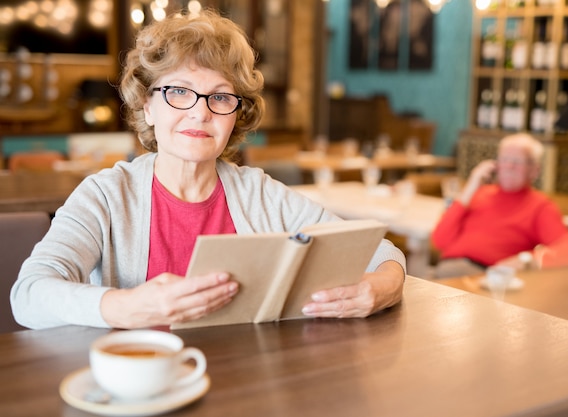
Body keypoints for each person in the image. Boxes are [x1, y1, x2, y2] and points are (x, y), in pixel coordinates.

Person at [10, 9, 406, 330]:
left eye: (219, 96)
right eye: (179, 91)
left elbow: (380, 252)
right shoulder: (106, 196)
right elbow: (28, 295)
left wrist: (383, 287)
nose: (200, 112)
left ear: (237, 114)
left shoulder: (259, 194)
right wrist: (124, 307)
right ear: (148, 104)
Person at [431, 133, 568, 278]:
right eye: (504, 159)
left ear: (535, 171)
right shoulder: (478, 193)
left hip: (483, 277)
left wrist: (527, 260)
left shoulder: (540, 206)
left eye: (518, 162)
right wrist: (472, 184)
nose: (509, 166)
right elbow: (440, 240)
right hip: (445, 269)